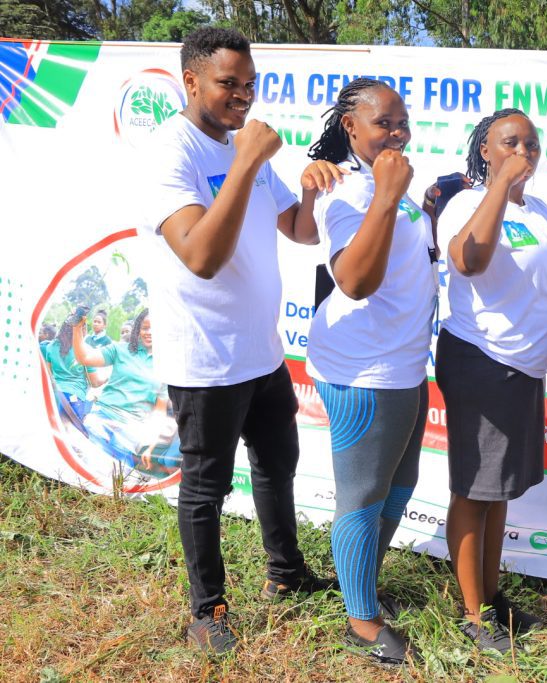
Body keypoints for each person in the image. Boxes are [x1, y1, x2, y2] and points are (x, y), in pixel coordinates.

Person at [139, 27, 343, 654]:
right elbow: (200, 256)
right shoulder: (169, 152)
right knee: (206, 488)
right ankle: (208, 609)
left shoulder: (242, 146)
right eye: (229, 84)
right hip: (204, 355)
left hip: (261, 349)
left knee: (277, 465)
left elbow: (299, 231)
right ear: (191, 81)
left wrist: (307, 190)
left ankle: (285, 574)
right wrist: (248, 160)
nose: (242, 97)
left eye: (249, 85)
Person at [434, 108, 547, 652]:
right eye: (511, 143)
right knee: (474, 489)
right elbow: (469, 260)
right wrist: (499, 187)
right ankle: (473, 614)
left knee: (500, 489)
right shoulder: (465, 201)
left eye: (531, 143)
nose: (525, 151)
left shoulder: (542, 208)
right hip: (482, 360)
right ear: (486, 150)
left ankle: (492, 595)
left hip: (523, 368)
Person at [304, 77, 436, 666]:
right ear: (350, 126)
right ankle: (360, 620)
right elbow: (355, 281)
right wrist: (385, 196)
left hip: (406, 365)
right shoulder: (346, 189)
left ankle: (363, 584)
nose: (397, 132)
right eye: (384, 122)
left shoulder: (391, 185)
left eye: (402, 121)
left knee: (398, 489)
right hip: (363, 369)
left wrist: (413, 201)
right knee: (362, 495)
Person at [72, 309, 177, 472]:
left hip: (132, 431)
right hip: (101, 419)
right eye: (145, 328)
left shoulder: (166, 366)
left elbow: (159, 413)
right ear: (137, 329)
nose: (149, 333)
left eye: (155, 328)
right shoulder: (120, 349)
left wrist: (150, 445)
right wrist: (77, 329)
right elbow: (84, 358)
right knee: (88, 471)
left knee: (115, 480)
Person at [42, 319, 94, 422]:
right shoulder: (85, 349)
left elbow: (49, 374)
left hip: (55, 397)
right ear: (81, 329)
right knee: (73, 435)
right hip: (75, 398)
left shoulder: (51, 346)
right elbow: (95, 382)